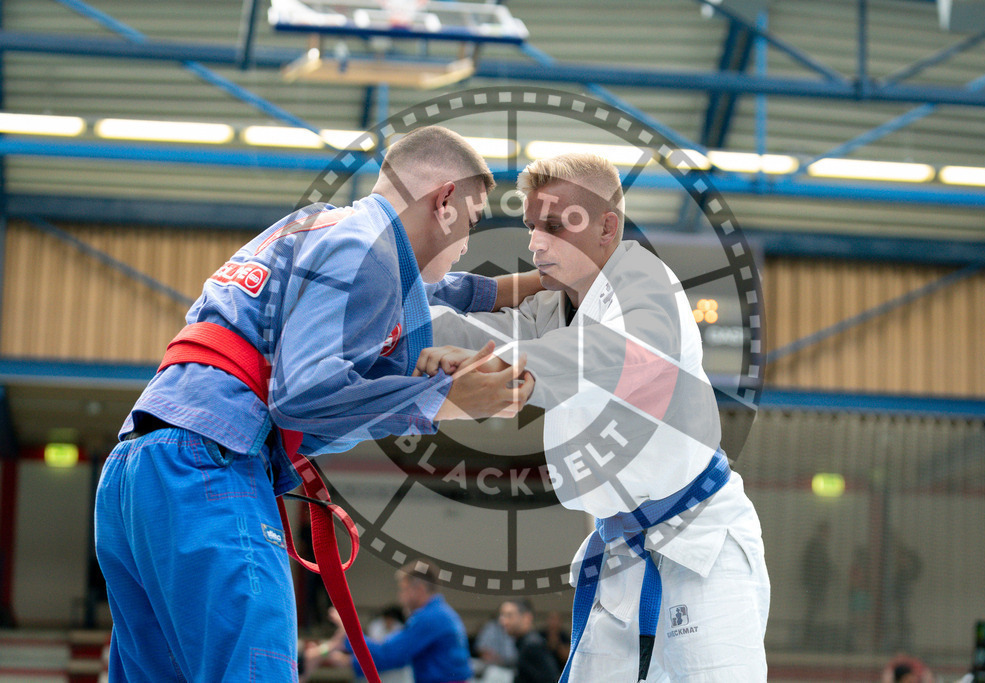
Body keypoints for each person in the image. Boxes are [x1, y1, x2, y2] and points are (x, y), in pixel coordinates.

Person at [94, 125, 541, 682]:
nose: (467, 244)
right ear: (445, 201)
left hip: (140, 468)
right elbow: (301, 399)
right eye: (472, 224)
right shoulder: (368, 249)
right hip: (210, 466)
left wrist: (505, 291)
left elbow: (420, 283)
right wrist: (443, 396)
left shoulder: (326, 228)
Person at [418, 153, 770, 681]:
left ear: (608, 227)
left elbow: (612, 356)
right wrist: (409, 328)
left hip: (700, 544)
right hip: (622, 553)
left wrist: (503, 364)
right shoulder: (555, 307)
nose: (536, 242)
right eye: (532, 226)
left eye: (556, 226)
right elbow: (494, 337)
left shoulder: (645, 284)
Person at [335, 560, 474, 683]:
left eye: (404, 589)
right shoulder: (442, 613)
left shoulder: (430, 618)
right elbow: (395, 655)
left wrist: (348, 633)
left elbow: (389, 654)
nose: (400, 597)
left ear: (419, 589)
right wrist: (351, 661)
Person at [498, 599, 561, 683]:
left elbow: (550, 678)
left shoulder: (532, 646)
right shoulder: (523, 643)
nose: (503, 621)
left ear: (527, 618)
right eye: (502, 615)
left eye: (509, 615)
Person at [801, 520, 834, 647]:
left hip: (818, 585)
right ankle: (809, 638)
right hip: (815, 586)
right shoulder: (815, 547)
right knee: (813, 612)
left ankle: (812, 637)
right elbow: (815, 568)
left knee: (815, 611)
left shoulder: (819, 547)